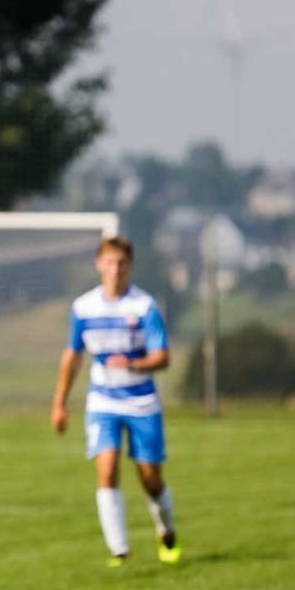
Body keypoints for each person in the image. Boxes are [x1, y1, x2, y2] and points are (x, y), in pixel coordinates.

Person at [50, 236, 180, 568]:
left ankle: (165, 528)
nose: (115, 269)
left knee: (150, 479)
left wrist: (134, 364)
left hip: (142, 401)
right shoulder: (83, 308)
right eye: (110, 262)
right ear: (99, 264)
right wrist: (59, 403)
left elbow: (163, 357)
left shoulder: (144, 307)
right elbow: (73, 357)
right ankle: (119, 549)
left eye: (122, 262)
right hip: (103, 402)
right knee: (106, 469)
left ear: (130, 266)